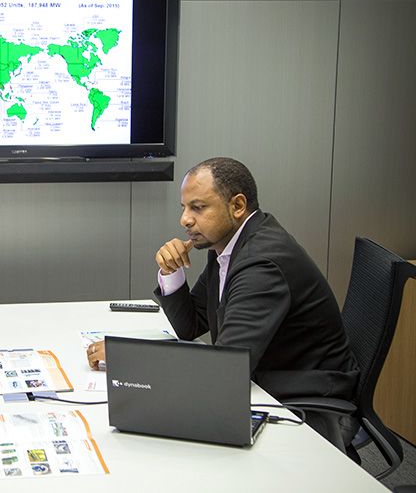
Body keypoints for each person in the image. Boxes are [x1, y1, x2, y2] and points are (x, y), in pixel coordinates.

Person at [86, 158, 359, 443]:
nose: (184, 220)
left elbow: (223, 371)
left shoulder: (261, 264)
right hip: (263, 382)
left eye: (198, 207)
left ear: (237, 206)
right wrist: (171, 272)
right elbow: (191, 325)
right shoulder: (227, 246)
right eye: (184, 207)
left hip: (307, 404)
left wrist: (130, 358)